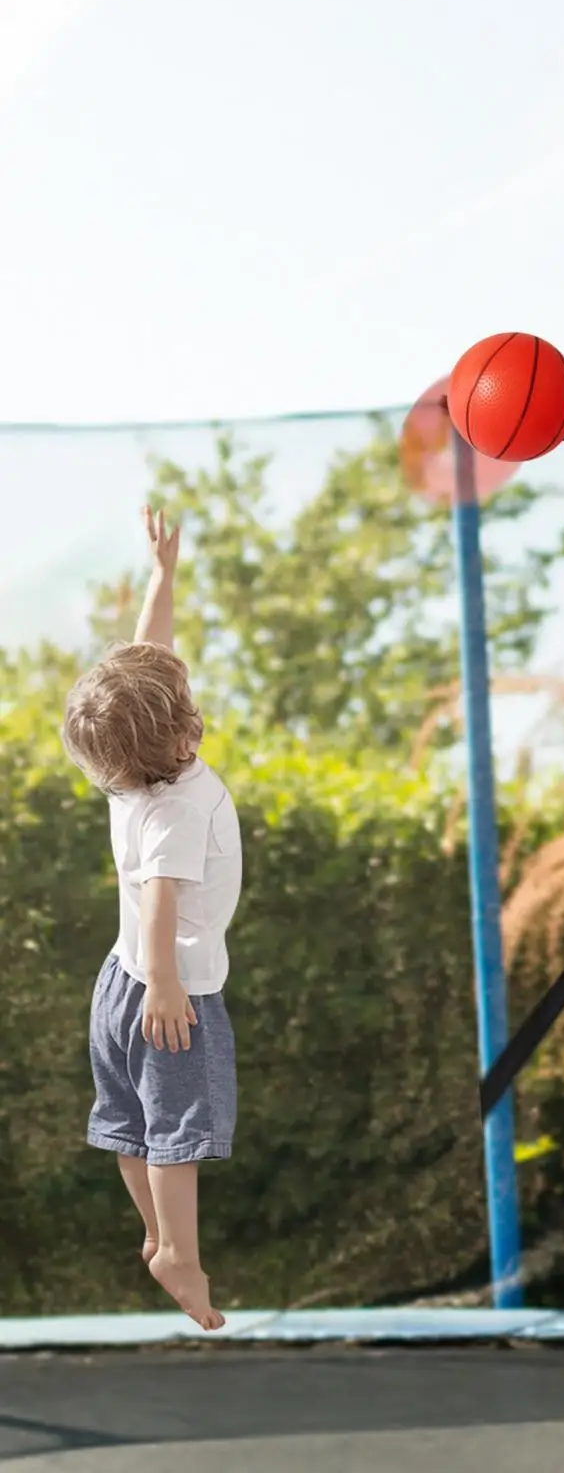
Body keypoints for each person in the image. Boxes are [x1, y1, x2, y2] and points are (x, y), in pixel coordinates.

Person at [60, 506, 241, 1332]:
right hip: (173, 989)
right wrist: (170, 988)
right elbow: (165, 898)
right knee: (179, 1134)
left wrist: (162, 579)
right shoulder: (175, 803)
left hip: (117, 983)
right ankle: (178, 1250)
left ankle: (154, 1236)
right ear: (177, 727)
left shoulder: (127, 775)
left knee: (129, 1122)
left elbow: (148, 660)